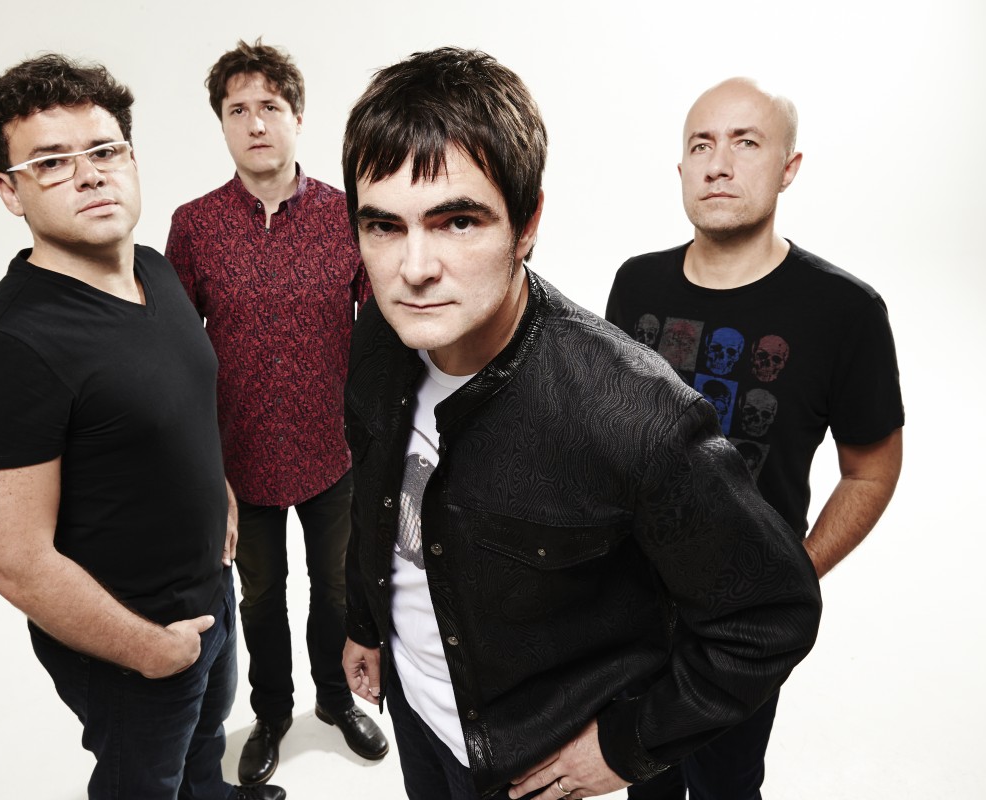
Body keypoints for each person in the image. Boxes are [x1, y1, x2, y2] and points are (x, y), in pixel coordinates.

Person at [339, 48, 823, 800]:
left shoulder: (636, 416)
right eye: (383, 226)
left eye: (458, 221)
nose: (415, 268)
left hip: (527, 764)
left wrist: (630, 746)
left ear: (527, 222)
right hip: (414, 709)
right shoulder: (378, 333)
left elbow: (770, 614)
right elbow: (376, 490)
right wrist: (366, 623)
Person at [0, 54, 284, 800]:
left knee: (205, 746)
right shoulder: (6, 349)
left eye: (104, 150)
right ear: (9, 190)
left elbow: (173, 409)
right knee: (143, 780)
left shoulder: (155, 270)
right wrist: (151, 651)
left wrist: (219, 490)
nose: (90, 175)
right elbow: (12, 563)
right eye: (51, 163)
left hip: (209, 592)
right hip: (132, 643)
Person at [607, 77, 904, 800]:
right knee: (643, 780)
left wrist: (793, 575)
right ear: (681, 167)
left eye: (746, 143)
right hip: (629, 611)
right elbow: (605, 441)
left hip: (739, 629)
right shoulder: (636, 285)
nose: (718, 164)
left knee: (727, 787)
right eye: (701, 145)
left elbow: (871, 469)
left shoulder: (845, 310)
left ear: (788, 168)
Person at [165, 39, 387, 786]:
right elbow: (175, 357)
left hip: (335, 455)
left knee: (338, 590)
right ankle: (272, 712)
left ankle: (336, 700)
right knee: (260, 600)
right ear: (222, 124)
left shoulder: (347, 215)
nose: (256, 123)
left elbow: (383, 335)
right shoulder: (194, 227)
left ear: (298, 117)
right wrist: (205, 471)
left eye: (270, 107)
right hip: (240, 464)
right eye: (238, 110)